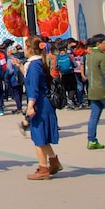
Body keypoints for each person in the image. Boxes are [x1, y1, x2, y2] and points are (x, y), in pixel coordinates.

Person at [23, 35, 62, 180]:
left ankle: (43, 168)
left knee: (38, 138)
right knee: (44, 137)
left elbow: (33, 87)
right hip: (46, 104)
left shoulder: (33, 66)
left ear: (30, 49)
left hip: (40, 104)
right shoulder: (40, 62)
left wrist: (30, 106)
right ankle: (53, 161)